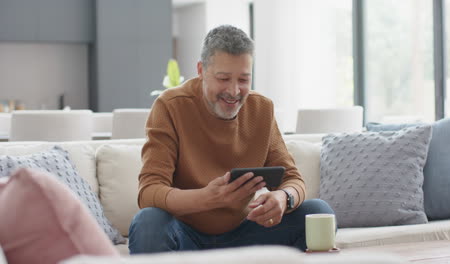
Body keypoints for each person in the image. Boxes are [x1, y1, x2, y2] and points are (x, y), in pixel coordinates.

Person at [128, 25, 334, 253]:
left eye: (244, 79)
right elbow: (148, 192)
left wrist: (283, 198)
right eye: (223, 78)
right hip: (185, 234)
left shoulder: (261, 109)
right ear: (201, 70)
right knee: (148, 222)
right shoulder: (170, 106)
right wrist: (207, 199)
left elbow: (293, 179)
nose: (234, 91)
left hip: (245, 232)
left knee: (318, 211)